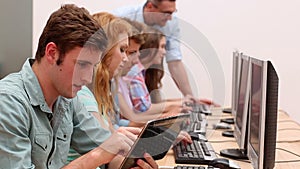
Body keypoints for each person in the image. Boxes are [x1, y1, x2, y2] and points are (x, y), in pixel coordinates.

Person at [0, 4, 156, 169]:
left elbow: (110, 152)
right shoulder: (8, 103)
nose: (87, 77)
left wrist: (132, 163)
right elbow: (100, 153)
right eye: (82, 64)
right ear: (52, 53)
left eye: (93, 66)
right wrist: (95, 157)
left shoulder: (67, 100)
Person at [113, 0, 194, 98]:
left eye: (173, 12)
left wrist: (189, 96)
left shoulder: (172, 23)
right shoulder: (120, 17)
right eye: (166, 13)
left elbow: (175, 61)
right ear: (150, 6)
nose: (170, 17)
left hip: (149, 75)